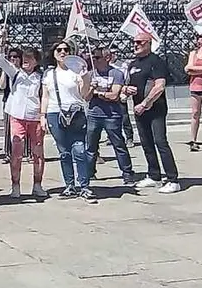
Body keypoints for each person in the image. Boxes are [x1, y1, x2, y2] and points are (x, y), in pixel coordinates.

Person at [124, 34, 180, 193]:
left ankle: (172, 179)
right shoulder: (133, 64)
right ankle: (154, 175)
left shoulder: (156, 61)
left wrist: (145, 103)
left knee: (160, 141)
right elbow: (128, 85)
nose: (135, 45)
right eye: (134, 42)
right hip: (138, 109)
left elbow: (159, 86)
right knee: (146, 142)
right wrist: (126, 90)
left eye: (139, 42)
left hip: (156, 109)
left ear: (148, 44)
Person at [39, 42, 95, 201]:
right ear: (54, 53)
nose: (63, 52)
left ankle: (84, 185)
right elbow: (45, 96)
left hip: (76, 112)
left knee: (79, 150)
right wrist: (42, 116)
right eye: (59, 50)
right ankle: (69, 185)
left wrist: (85, 78)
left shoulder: (77, 72)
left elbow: (84, 95)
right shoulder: (49, 74)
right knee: (64, 152)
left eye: (66, 50)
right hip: (55, 112)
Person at [0, 46, 45, 199]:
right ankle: (15, 185)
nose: (26, 60)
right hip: (17, 116)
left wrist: (43, 115)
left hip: (35, 117)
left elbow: (44, 96)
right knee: (16, 152)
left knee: (38, 153)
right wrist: (1, 42)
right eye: (25, 58)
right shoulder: (15, 73)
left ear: (36, 61)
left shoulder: (40, 77)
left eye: (30, 58)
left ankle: (37, 184)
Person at [86, 44, 136, 186]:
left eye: (97, 57)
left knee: (118, 144)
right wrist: (91, 88)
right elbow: (86, 97)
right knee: (91, 146)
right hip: (94, 114)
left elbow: (114, 95)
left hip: (112, 114)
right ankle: (89, 173)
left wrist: (99, 93)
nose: (93, 59)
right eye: (93, 57)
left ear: (107, 58)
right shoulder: (91, 74)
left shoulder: (116, 73)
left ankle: (127, 173)